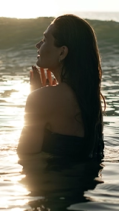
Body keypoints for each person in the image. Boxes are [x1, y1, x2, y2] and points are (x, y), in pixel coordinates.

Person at [17, 14, 104, 160]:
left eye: (45, 40)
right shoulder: (91, 98)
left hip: (53, 175)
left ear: (62, 52)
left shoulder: (42, 98)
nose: (38, 45)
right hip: (90, 175)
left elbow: (25, 156)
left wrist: (37, 95)